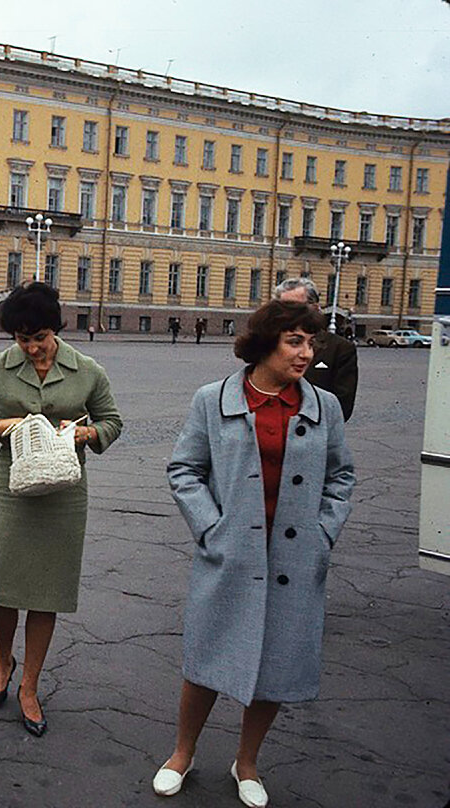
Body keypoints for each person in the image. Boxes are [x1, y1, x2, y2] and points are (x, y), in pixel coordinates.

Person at [152, 299, 355, 806]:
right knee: (205, 660)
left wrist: (322, 534)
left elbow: (341, 476)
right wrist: (211, 529)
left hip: (293, 559)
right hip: (232, 553)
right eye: (296, 341)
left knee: (275, 665)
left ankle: (247, 763)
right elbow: (184, 470)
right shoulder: (211, 399)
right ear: (266, 343)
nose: (307, 353)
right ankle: (182, 753)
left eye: (312, 342)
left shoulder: (322, 406)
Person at [0, 282, 122, 737]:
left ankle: (29, 685)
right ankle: (2, 661)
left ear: (56, 329)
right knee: (4, 588)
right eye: (22, 339)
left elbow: (112, 421)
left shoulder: (87, 369)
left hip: (64, 496)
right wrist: (7, 425)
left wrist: (86, 435)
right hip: (13, 490)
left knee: (47, 592)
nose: (33, 348)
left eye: (41, 338)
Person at [274, 276, 358, 421]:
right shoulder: (269, 342)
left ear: (314, 308)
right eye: (281, 308)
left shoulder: (339, 348)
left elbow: (342, 407)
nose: (287, 314)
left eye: (295, 307)